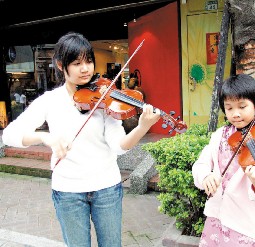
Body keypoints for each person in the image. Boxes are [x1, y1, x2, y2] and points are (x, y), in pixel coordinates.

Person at [2, 32, 160, 247]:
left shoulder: (105, 99)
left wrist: (143, 127)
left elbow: (119, 146)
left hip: (107, 189)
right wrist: (45, 137)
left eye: (88, 61)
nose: (85, 69)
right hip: (68, 192)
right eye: (77, 63)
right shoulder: (49, 101)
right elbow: (10, 135)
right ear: (60, 65)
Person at [192, 74, 255, 247]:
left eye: (242, 106)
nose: (236, 114)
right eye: (229, 108)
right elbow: (201, 164)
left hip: (246, 225)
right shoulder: (219, 136)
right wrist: (204, 176)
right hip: (216, 218)